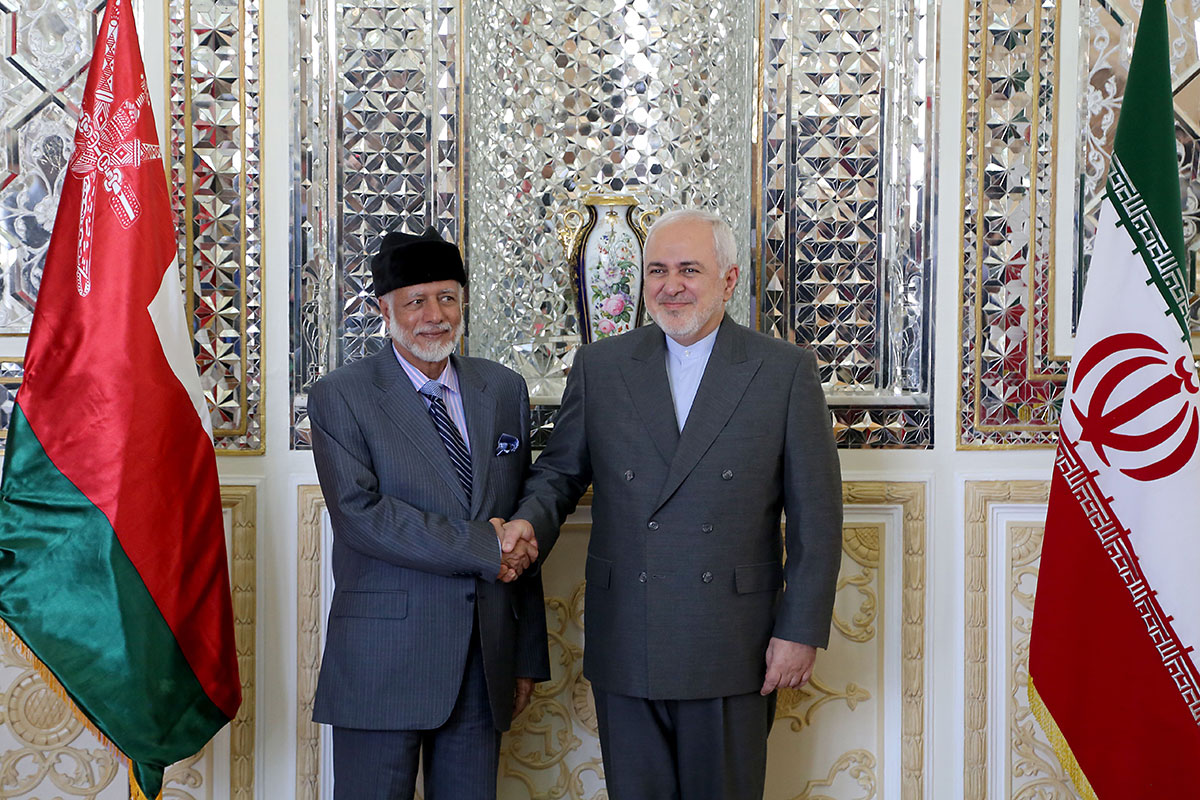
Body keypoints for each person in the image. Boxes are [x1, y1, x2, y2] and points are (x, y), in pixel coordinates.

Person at [499, 209, 843, 800]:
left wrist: (801, 630)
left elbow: (817, 517)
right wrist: (527, 523)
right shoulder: (601, 366)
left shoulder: (784, 371)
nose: (670, 284)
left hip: (735, 640)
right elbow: (558, 473)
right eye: (656, 270)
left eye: (689, 269)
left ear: (729, 280)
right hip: (629, 631)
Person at [308, 226, 550, 800]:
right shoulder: (340, 395)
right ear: (383, 310)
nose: (434, 315)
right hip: (382, 661)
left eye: (447, 297)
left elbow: (519, 522)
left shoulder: (504, 388)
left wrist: (525, 656)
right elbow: (360, 515)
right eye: (416, 301)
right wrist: (484, 548)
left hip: (481, 663)